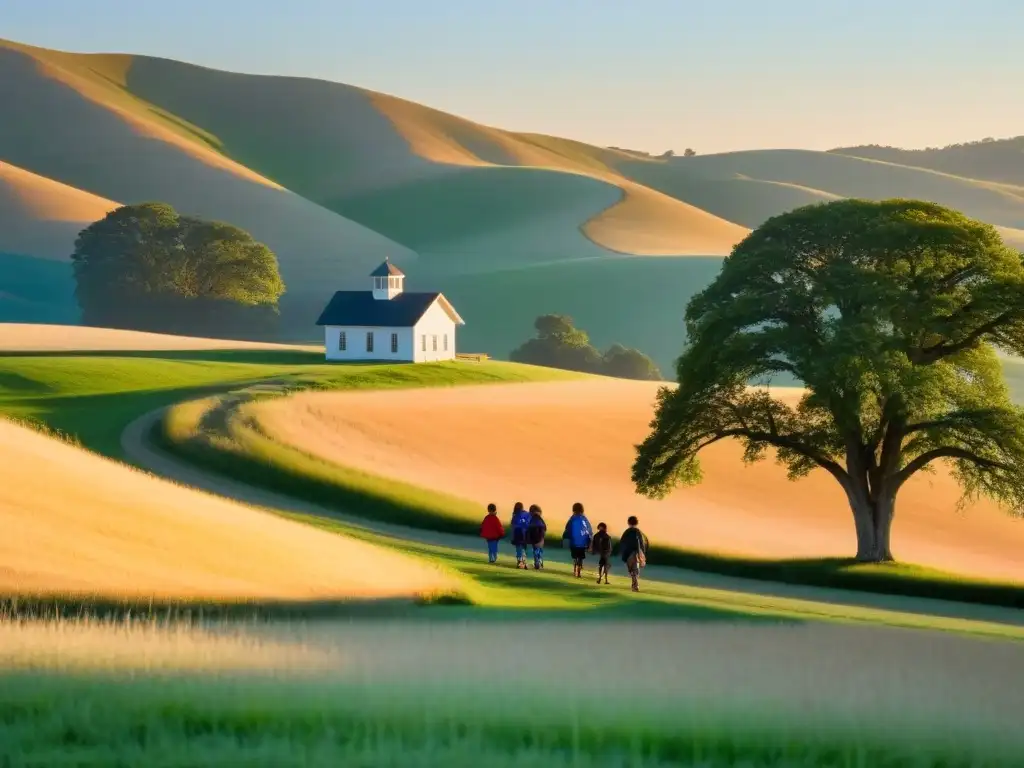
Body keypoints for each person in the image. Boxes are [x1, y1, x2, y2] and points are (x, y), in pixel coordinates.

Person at [561, 502, 593, 578]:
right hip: (583, 543)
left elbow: (567, 529)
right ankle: (578, 571)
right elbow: (589, 530)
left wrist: (565, 537)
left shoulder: (572, 519)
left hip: (574, 542)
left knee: (575, 557)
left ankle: (575, 569)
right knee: (580, 557)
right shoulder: (584, 519)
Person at [619, 515, 650, 592]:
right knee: (635, 571)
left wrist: (623, 555)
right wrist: (642, 554)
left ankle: (635, 586)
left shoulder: (626, 532)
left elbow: (622, 543)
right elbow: (642, 543)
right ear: (636, 523)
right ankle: (635, 586)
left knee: (632, 571)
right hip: (636, 553)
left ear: (628, 523)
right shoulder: (638, 532)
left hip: (628, 554)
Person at [509, 501, 532, 569]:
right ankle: (523, 561)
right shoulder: (527, 514)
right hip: (525, 533)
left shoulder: (515, 515)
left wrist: (512, 537)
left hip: (517, 533)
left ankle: (520, 561)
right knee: (524, 548)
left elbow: (513, 526)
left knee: (519, 548)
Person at [527, 504, 547, 570]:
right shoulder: (540, 519)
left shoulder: (532, 519)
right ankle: (540, 562)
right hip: (540, 537)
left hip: (534, 538)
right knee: (540, 551)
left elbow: (529, 529)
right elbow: (545, 527)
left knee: (535, 551)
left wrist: (529, 538)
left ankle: (537, 563)